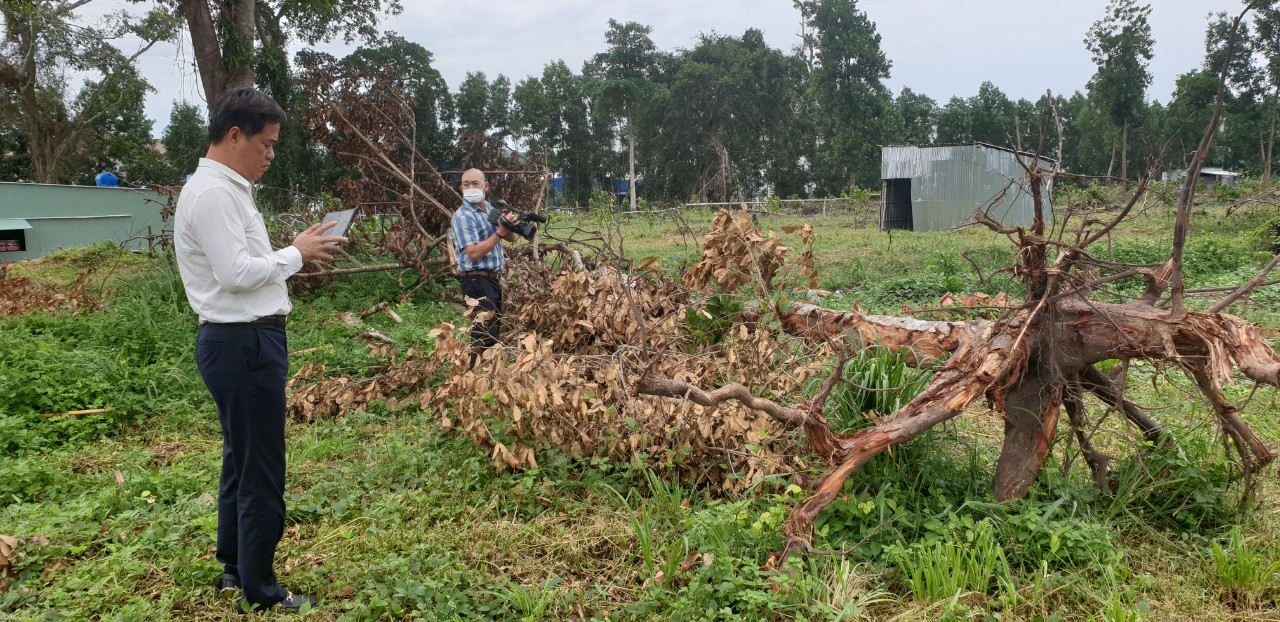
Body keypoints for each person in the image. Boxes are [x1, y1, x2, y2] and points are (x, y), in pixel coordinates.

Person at [174, 87, 345, 614]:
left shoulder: (228, 189)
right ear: (233, 136)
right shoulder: (214, 194)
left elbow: (245, 261)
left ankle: (234, 566)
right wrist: (296, 254)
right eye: (266, 144)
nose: (271, 155)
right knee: (262, 467)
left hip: (242, 339)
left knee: (240, 458)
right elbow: (236, 275)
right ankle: (262, 590)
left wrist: (290, 248)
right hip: (243, 342)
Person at [450, 168, 519, 367]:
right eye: (466, 184)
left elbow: (511, 238)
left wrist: (510, 223)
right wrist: (499, 233)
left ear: (486, 187)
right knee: (483, 332)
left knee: (493, 329)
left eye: (475, 183)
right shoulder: (463, 216)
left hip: (491, 279)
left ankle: (487, 377)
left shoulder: (489, 209)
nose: (470, 188)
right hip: (475, 279)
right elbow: (473, 253)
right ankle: (475, 378)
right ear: (461, 188)